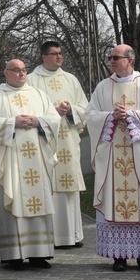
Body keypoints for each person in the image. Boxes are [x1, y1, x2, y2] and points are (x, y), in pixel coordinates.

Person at [84, 44, 140, 272]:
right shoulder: (103, 87)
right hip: (113, 158)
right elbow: (90, 115)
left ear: (130, 60)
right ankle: (119, 256)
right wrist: (110, 117)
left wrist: (133, 115)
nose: (111, 61)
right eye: (110, 57)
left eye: (116, 57)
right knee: (114, 202)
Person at [0, 59, 60, 270]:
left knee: (39, 200)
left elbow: (54, 119)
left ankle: (39, 254)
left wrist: (38, 121)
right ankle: (14, 254)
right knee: (13, 201)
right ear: (6, 73)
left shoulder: (39, 94)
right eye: (16, 70)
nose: (21, 74)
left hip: (37, 159)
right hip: (11, 161)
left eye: (24, 70)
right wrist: (11, 123)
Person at [27, 41, 88, 247]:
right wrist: (53, 111)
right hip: (45, 142)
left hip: (68, 141)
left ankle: (72, 234)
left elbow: (84, 107)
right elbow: (27, 110)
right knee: (48, 187)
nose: (59, 57)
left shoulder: (70, 79)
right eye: (54, 54)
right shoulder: (31, 81)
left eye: (61, 53)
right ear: (44, 57)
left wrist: (71, 110)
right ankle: (50, 236)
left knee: (68, 189)